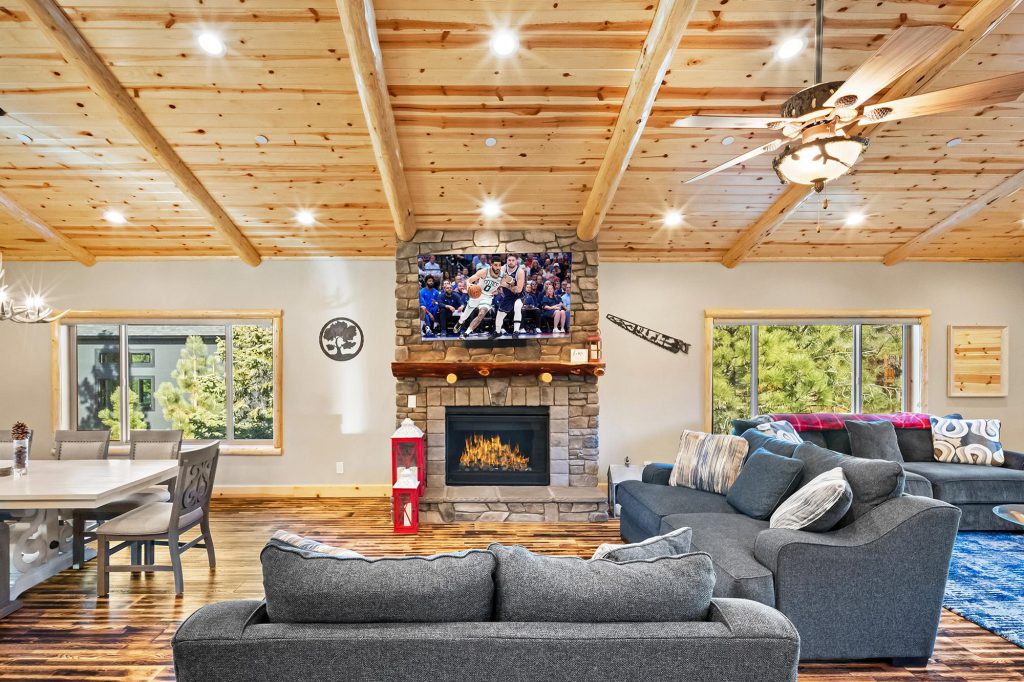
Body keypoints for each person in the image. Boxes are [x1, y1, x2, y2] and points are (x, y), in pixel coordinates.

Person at [454, 259, 503, 337]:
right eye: (495, 265)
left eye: (499, 265)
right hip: (477, 294)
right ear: (491, 265)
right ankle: (460, 322)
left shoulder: (502, 275)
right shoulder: (484, 272)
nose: (497, 267)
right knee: (465, 315)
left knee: (481, 314)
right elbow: (469, 280)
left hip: (487, 297)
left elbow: (509, 283)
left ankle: (466, 333)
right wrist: (469, 285)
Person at [490, 254, 527, 339]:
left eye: (513, 260)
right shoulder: (502, 269)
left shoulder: (520, 271)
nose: (511, 262)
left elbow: (518, 290)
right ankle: (498, 332)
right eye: (509, 260)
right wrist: (504, 285)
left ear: (516, 261)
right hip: (508, 295)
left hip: (519, 295)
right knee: (499, 314)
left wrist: (505, 285)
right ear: (506, 261)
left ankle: (516, 331)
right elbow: (498, 281)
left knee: (517, 306)